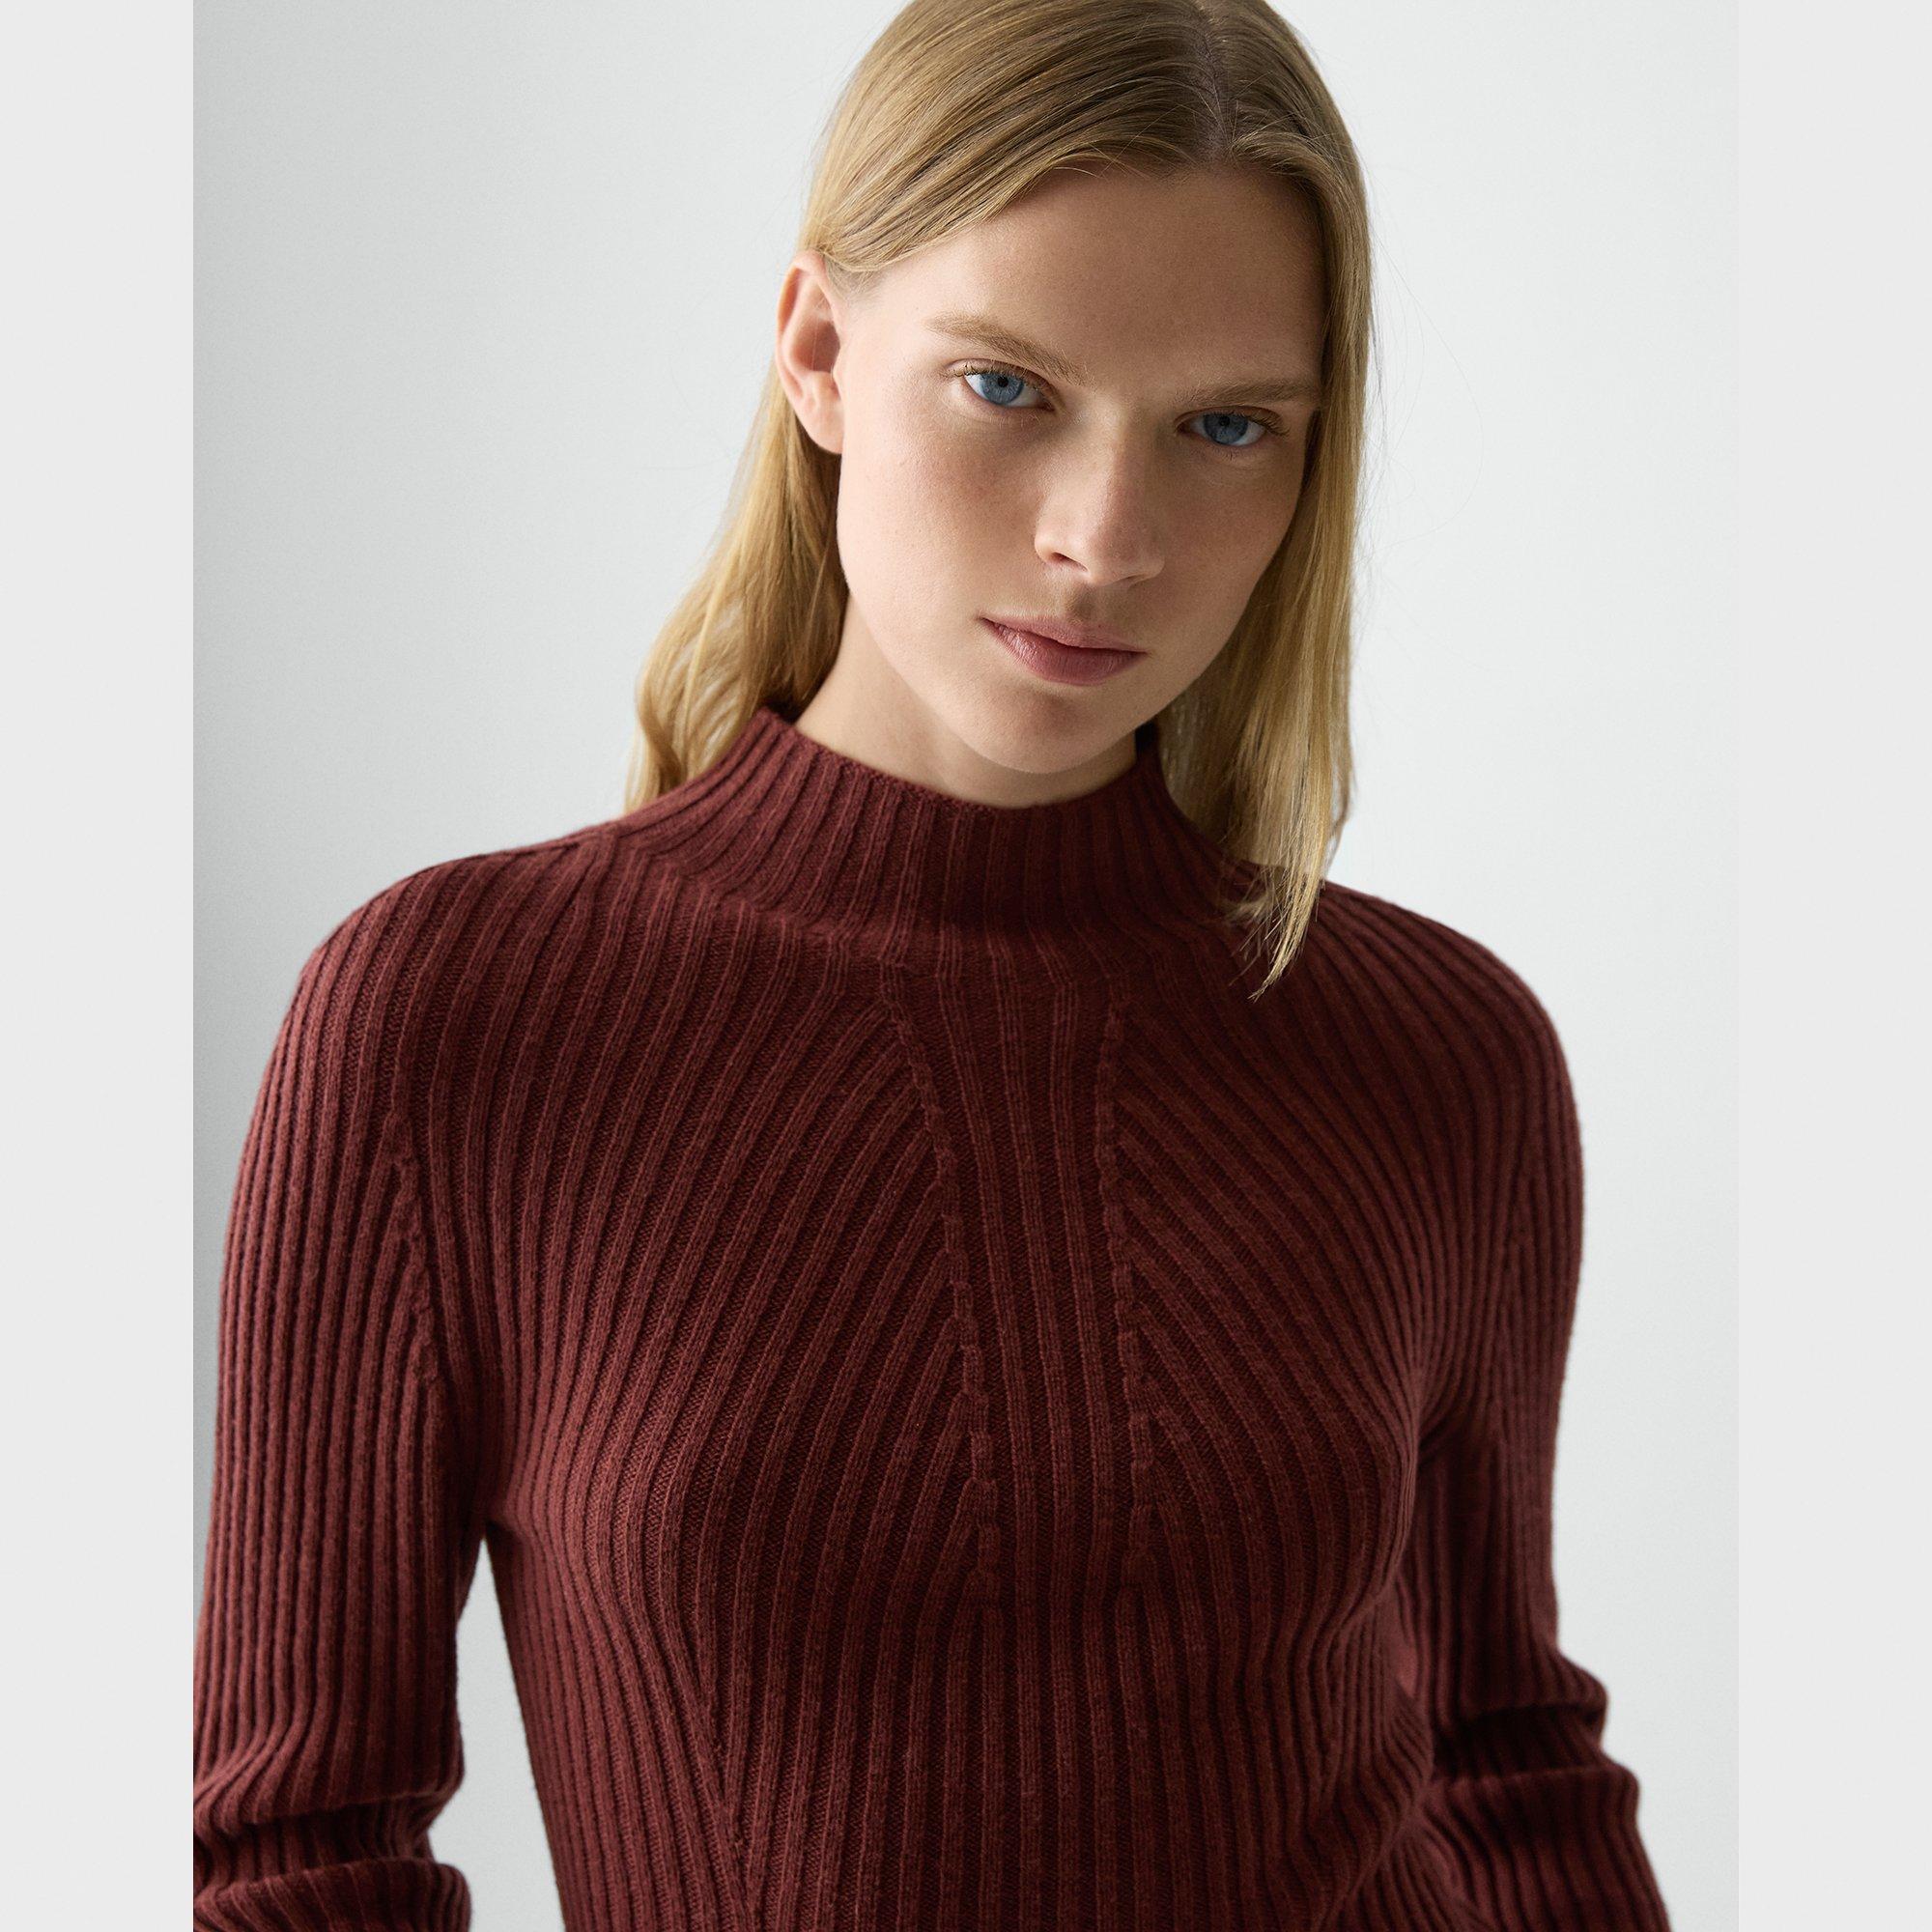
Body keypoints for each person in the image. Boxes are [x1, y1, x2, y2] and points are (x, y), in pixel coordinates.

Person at [192, 2, 1674, 1927]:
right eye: (1006, 388)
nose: (1105, 540)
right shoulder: (452, 1024)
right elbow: (299, 1854)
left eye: (1225, 427)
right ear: (817, 350)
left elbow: (1505, 1764)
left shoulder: (1433, 1054)